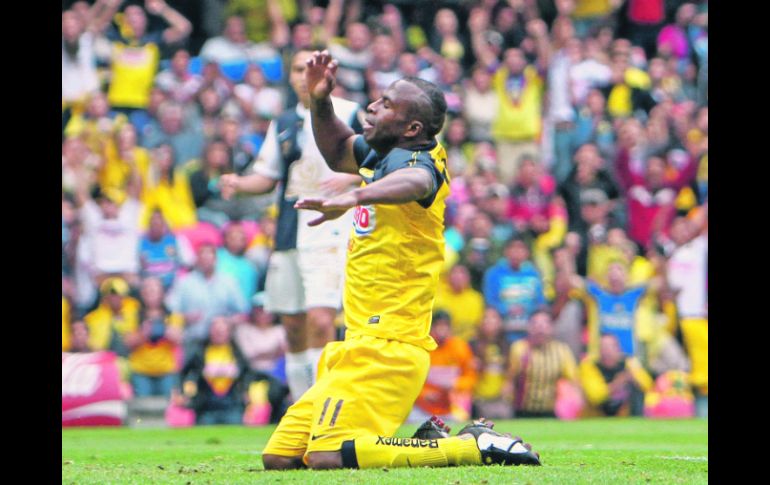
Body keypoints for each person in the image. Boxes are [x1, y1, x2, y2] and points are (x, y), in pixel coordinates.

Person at [260, 50, 540, 471]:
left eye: (386, 104)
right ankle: (426, 441)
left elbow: (417, 181)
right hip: (360, 342)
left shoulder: (419, 160)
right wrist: (320, 100)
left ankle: (473, 445)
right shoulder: (386, 154)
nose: (372, 107)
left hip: (389, 345)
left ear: (412, 128)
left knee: (327, 455)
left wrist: (356, 194)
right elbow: (338, 149)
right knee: (280, 457)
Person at [220, 48, 362, 402]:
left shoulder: (350, 113)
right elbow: (266, 177)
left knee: (320, 320)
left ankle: (324, 403)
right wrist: (238, 182)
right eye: (298, 69)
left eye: (310, 68)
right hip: (288, 230)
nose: (304, 75)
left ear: (330, 73)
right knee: (293, 325)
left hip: (331, 227)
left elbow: (374, 165)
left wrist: (349, 180)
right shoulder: (283, 122)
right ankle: (302, 406)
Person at [503, 310, 580, 418]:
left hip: (550, 411)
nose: (540, 329)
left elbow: (573, 380)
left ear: (551, 327)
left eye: (544, 324)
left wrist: (573, 404)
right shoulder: (519, 348)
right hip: (522, 411)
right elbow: (510, 378)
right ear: (529, 327)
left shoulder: (561, 350)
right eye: (536, 324)